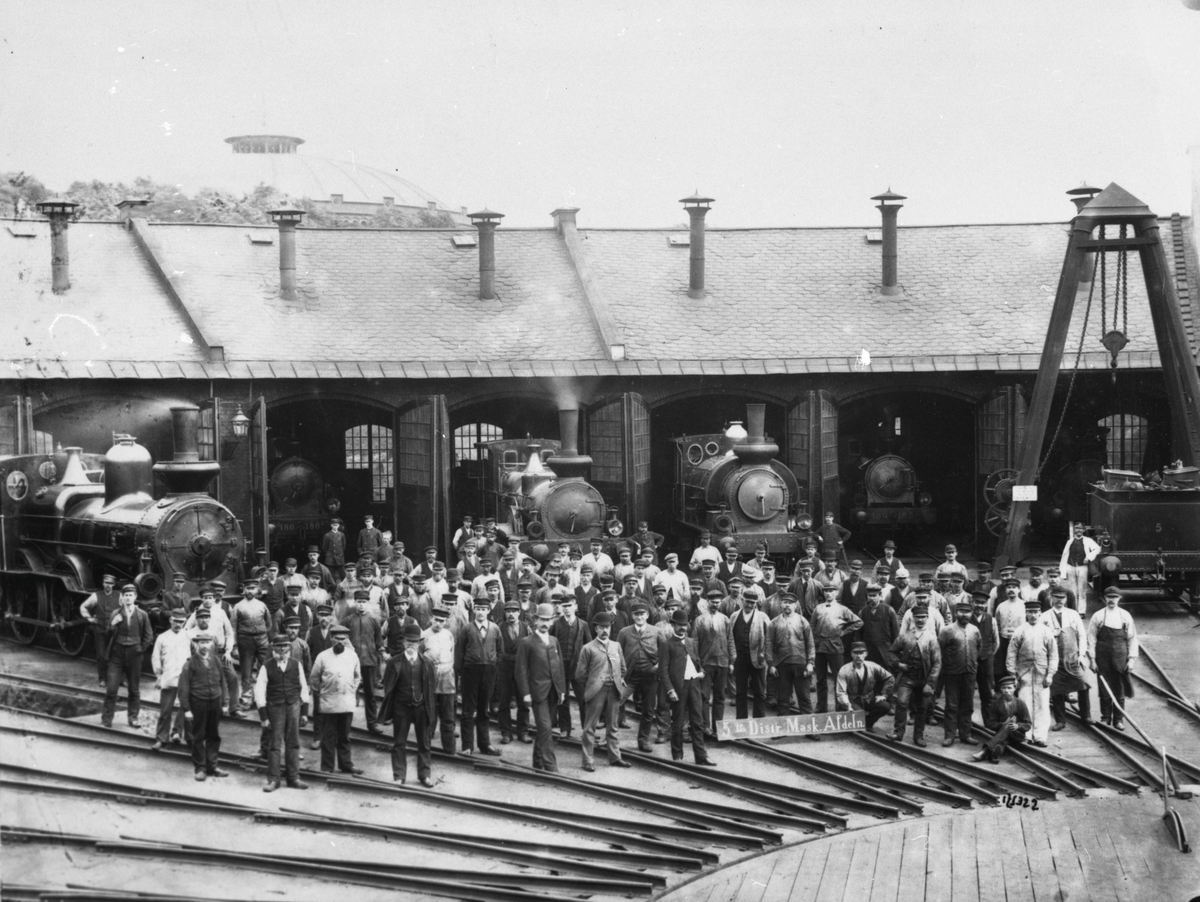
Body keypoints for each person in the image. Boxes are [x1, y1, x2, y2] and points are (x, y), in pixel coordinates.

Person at [379, 622, 437, 786]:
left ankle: (424, 775)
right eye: (408, 641)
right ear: (403, 642)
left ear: (419, 643)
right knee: (399, 742)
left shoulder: (427, 663)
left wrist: (428, 707)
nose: (411, 645)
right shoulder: (394, 662)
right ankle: (399, 776)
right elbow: (387, 685)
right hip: (401, 708)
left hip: (421, 707)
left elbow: (432, 687)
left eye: (415, 642)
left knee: (424, 743)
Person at [575, 611, 631, 771]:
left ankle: (615, 757)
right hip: (596, 692)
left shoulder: (616, 646)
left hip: (614, 690)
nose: (605, 630)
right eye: (601, 627)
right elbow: (580, 675)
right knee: (590, 727)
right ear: (596, 629)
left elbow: (623, 668)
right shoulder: (588, 648)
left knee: (613, 726)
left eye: (607, 627)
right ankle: (587, 761)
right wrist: (592, 684)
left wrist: (618, 678)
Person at [660, 608, 717, 766]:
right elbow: (663, 671)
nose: (682, 628)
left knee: (698, 722)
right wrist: (670, 690)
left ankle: (701, 756)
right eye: (679, 625)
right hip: (679, 687)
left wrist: (701, 672)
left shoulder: (691, 642)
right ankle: (677, 755)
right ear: (673, 625)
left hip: (694, 685)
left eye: (685, 625)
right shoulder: (667, 644)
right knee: (678, 723)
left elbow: (696, 661)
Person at [255, 634, 312, 792]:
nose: (282, 650)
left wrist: (304, 712)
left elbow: (304, 687)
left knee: (293, 743)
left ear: (289, 648)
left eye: (285, 646)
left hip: (293, 707)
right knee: (274, 745)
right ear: (273, 648)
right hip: (275, 709)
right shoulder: (267, 666)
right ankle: (274, 780)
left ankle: (293, 778)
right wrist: (264, 717)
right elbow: (259, 692)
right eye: (279, 646)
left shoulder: (296, 664)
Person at [516, 603, 567, 773]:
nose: (545, 623)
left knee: (545, 728)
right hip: (537, 693)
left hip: (553, 692)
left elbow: (560, 667)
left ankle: (537, 762)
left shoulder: (554, 641)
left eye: (548, 620)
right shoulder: (526, 642)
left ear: (552, 621)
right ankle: (551, 768)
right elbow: (520, 670)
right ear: (536, 620)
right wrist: (525, 694)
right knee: (545, 728)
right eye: (542, 620)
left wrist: (561, 690)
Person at [308, 624, 364, 775]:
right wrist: (323, 693)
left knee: (344, 735)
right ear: (331, 638)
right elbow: (314, 678)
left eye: (343, 639)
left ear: (347, 639)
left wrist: (351, 690)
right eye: (337, 639)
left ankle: (346, 764)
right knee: (328, 736)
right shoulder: (322, 656)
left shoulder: (352, 656)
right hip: (329, 702)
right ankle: (327, 767)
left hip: (346, 702)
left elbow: (357, 676)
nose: (340, 642)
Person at [176, 633, 229, 781]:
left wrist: (225, 703)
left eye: (207, 642)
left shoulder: (216, 660)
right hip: (198, 702)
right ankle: (200, 768)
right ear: (196, 645)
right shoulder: (190, 664)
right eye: (201, 643)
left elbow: (223, 682)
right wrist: (187, 709)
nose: (204, 646)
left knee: (214, 735)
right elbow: (183, 688)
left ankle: (212, 766)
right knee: (198, 736)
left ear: (211, 644)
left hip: (215, 702)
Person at [101, 584, 154, 728]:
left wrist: (140, 649)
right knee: (111, 689)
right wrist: (113, 624)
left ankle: (133, 718)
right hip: (117, 655)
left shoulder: (142, 615)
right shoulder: (116, 613)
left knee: (134, 689)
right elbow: (107, 635)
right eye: (126, 595)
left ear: (135, 597)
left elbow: (149, 636)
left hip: (134, 655)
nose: (128, 598)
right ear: (122, 597)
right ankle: (106, 720)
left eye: (131, 595)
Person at [1006, 599, 1058, 747]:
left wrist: (1050, 674)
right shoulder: (1020, 630)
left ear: (1040, 613)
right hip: (1024, 674)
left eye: (1036, 612)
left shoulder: (1046, 631)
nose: (1033, 615)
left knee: (1042, 704)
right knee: (1025, 704)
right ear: (1026, 613)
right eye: (1030, 612)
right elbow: (1011, 653)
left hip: (1042, 673)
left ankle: (1040, 736)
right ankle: (1026, 734)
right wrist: (1013, 674)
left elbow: (1053, 655)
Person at [456, 598, 503, 757]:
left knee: (484, 709)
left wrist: (493, 668)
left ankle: (485, 744)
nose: (481, 612)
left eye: (484, 609)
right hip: (470, 671)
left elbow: (500, 651)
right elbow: (459, 652)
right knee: (468, 710)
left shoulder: (495, 629)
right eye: (478, 609)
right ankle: (467, 746)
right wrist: (460, 674)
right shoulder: (467, 629)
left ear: (488, 611)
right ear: (474, 610)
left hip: (488, 672)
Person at [1040, 587, 1092, 731]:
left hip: (1073, 658)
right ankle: (1060, 720)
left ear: (1066, 599)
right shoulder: (1044, 616)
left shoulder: (1073, 614)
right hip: (1054, 660)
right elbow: (1041, 638)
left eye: (1062, 598)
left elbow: (1082, 635)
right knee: (1056, 690)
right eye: (1056, 597)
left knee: (1083, 684)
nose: (1059, 600)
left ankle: (1086, 716)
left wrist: (1081, 655)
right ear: (1051, 598)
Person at [889, 605, 941, 747]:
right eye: (917, 617)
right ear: (912, 618)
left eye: (923, 617)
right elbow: (891, 653)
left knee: (922, 708)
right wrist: (899, 664)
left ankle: (918, 736)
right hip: (907, 677)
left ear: (927, 618)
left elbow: (937, 663)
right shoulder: (905, 636)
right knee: (901, 703)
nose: (920, 620)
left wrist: (930, 683)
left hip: (924, 678)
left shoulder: (931, 638)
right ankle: (898, 733)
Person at [1088, 586, 1138, 731]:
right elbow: (1091, 638)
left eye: (1114, 597)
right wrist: (1092, 660)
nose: (1111, 600)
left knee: (1119, 687)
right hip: (1102, 656)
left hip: (1120, 655)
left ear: (1119, 598)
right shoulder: (1098, 616)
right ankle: (1105, 718)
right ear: (1104, 598)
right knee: (1104, 687)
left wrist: (1131, 660)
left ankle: (1118, 719)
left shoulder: (1125, 616)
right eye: (1109, 597)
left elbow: (1132, 638)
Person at [617, 602, 664, 751]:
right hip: (629, 676)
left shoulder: (656, 631)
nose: (639, 617)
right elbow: (617, 653)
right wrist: (620, 675)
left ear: (647, 615)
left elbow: (665, 653)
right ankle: (610, 738)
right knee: (615, 701)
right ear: (632, 616)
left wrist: (657, 667)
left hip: (650, 676)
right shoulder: (624, 632)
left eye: (642, 614)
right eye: (636, 614)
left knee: (648, 710)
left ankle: (643, 741)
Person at [809, 583, 864, 714]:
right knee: (821, 679)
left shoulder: (842, 609)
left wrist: (844, 632)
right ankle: (821, 706)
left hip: (835, 646)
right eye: (826, 591)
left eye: (831, 591)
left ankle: (840, 707)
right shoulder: (818, 608)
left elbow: (858, 622)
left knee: (838, 678)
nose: (828, 593)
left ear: (836, 593)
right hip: (819, 646)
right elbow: (811, 626)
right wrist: (814, 640)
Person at [938, 601, 982, 748]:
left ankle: (966, 734)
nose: (965, 615)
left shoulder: (975, 630)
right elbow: (939, 650)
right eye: (961, 612)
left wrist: (972, 663)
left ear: (971, 613)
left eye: (967, 612)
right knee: (951, 705)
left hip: (970, 673)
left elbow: (979, 648)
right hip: (952, 673)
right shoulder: (947, 630)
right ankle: (949, 736)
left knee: (967, 705)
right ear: (956, 613)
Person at [342, 589, 385, 734]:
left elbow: (379, 643)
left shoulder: (374, 620)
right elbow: (341, 641)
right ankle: (345, 725)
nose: (361, 604)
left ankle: (372, 724)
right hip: (350, 663)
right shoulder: (347, 621)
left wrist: (382, 656)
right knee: (347, 693)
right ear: (355, 602)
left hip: (369, 662)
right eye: (359, 602)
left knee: (370, 695)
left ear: (368, 603)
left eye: (364, 602)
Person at [767, 592, 815, 715]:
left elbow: (810, 643)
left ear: (795, 605)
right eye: (785, 602)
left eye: (790, 603)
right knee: (783, 699)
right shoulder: (774, 622)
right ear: (781, 604)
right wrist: (771, 664)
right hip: (782, 665)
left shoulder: (803, 621)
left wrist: (810, 663)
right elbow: (769, 644)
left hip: (800, 664)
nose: (787, 605)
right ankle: (783, 725)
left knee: (804, 698)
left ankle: (809, 724)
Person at [150, 609, 192, 750]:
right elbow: (156, 657)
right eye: (176, 621)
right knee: (165, 710)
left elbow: (194, 656)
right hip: (168, 677)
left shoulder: (189, 636)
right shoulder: (162, 637)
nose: (178, 624)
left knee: (184, 707)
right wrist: (158, 675)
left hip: (185, 678)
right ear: (170, 620)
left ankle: (177, 732)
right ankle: (161, 739)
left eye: (181, 622)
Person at [551, 595, 592, 738]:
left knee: (583, 698)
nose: (567, 609)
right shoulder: (556, 624)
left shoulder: (583, 625)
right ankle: (565, 728)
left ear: (575, 607)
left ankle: (587, 730)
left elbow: (589, 646)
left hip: (578, 667)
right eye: (564, 606)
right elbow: (550, 644)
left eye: (569, 606)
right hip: (560, 666)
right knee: (562, 698)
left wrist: (587, 666)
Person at [726, 591, 771, 719]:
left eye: (752, 603)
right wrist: (732, 658)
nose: (750, 605)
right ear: (742, 600)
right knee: (740, 692)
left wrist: (764, 654)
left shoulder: (762, 617)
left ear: (756, 603)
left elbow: (769, 638)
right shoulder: (734, 616)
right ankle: (741, 721)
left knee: (759, 691)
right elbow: (729, 637)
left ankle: (759, 721)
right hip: (740, 659)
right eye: (747, 602)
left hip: (758, 658)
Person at [693, 589, 731, 737]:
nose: (715, 605)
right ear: (707, 602)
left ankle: (718, 727)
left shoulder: (725, 619)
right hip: (706, 663)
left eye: (718, 602)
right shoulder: (700, 620)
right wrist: (698, 663)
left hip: (722, 662)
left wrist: (732, 661)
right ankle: (705, 726)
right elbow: (695, 642)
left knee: (720, 696)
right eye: (713, 602)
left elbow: (730, 640)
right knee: (704, 696)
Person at [232, 580, 273, 711]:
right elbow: (233, 628)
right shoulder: (238, 607)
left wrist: (262, 633)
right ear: (244, 589)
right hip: (245, 641)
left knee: (264, 669)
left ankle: (262, 698)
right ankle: (246, 699)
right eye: (248, 588)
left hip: (262, 640)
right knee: (246, 671)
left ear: (257, 590)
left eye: (253, 588)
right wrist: (234, 646)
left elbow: (269, 624)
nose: (250, 591)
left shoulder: (262, 605)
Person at [495, 599, 532, 743]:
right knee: (504, 700)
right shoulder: (499, 628)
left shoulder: (526, 628)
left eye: (514, 611)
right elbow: (495, 647)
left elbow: (530, 647)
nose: (511, 614)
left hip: (521, 667)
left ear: (519, 612)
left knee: (523, 700)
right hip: (504, 667)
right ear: (505, 613)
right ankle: (506, 732)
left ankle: (523, 732)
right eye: (508, 611)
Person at [835, 641, 894, 731]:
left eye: (861, 653)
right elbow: (841, 692)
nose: (858, 656)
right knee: (857, 715)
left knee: (885, 706)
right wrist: (847, 705)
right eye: (856, 653)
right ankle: (857, 722)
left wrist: (884, 695)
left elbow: (889, 678)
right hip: (852, 701)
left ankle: (868, 723)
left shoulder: (872, 666)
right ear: (851, 654)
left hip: (868, 698)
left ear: (866, 654)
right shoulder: (844, 670)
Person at [973, 675, 1032, 763]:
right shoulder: (996, 704)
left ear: (1014, 688)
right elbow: (990, 723)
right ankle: (995, 755)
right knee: (1003, 737)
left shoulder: (1020, 703)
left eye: (1009, 688)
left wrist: (1018, 726)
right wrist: (1002, 724)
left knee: (1008, 727)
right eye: (1004, 688)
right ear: (1000, 689)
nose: (1006, 690)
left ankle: (986, 750)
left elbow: (1028, 724)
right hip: (1002, 735)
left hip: (1017, 735)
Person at [423, 605, 458, 754]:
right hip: (429, 681)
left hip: (447, 681)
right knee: (428, 716)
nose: (438, 623)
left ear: (446, 621)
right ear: (431, 618)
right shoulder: (424, 635)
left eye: (442, 621)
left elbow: (452, 656)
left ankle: (449, 750)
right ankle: (425, 748)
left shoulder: (448, 635)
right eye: (436, 620)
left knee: (448, 717)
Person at [80, 573, 123, 686]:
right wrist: (89, 618)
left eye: (110, 583)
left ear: (113, 584)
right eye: (106, 583)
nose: (108, 585)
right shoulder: (96, 596)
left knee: (117, 654)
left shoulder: (119, 596)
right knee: (102, 655)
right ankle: (103, 679)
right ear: (103, 583)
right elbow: (83, 606)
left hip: (114, 630)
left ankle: (119, 679)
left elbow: (125, 608)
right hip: (100, 629)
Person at [1059, 522, 1100, 616]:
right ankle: (1072, 610)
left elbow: (1098, 549)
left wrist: (1088, 557)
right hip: (1071, 567)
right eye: (1077, 528)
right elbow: (1064, 556)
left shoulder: (1088, 540)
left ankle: (1081, 611)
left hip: (1082, 568)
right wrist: (1063, 571)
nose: (1078, 530)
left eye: (1081, 528)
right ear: (1074, 530)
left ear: (1084, 530)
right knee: (1072, 590)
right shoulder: (1070, 541)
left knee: (1082, 591)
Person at [858, 583, 900, 669]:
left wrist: (895, 650)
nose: (872, 598)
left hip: (885, 648)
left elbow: (896, 632)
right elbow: (859, 634)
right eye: (870, 596)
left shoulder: (889, 610)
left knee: (887, 672)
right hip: (869, 649)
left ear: (880, 596)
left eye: (874, 595)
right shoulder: (862, 612)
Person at [970, 590, 998, 714]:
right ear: (972, 602)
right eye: (977, 602)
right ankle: (966, 722)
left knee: (987, 692)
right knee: (967, 691)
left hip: (986, 660)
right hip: (969, 660)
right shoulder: (966, 618)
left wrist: (988, 654)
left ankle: (988, 720)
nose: (979, 605)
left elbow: (996, 642)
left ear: (986, 604)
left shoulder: (991, 620)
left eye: (982, 603)